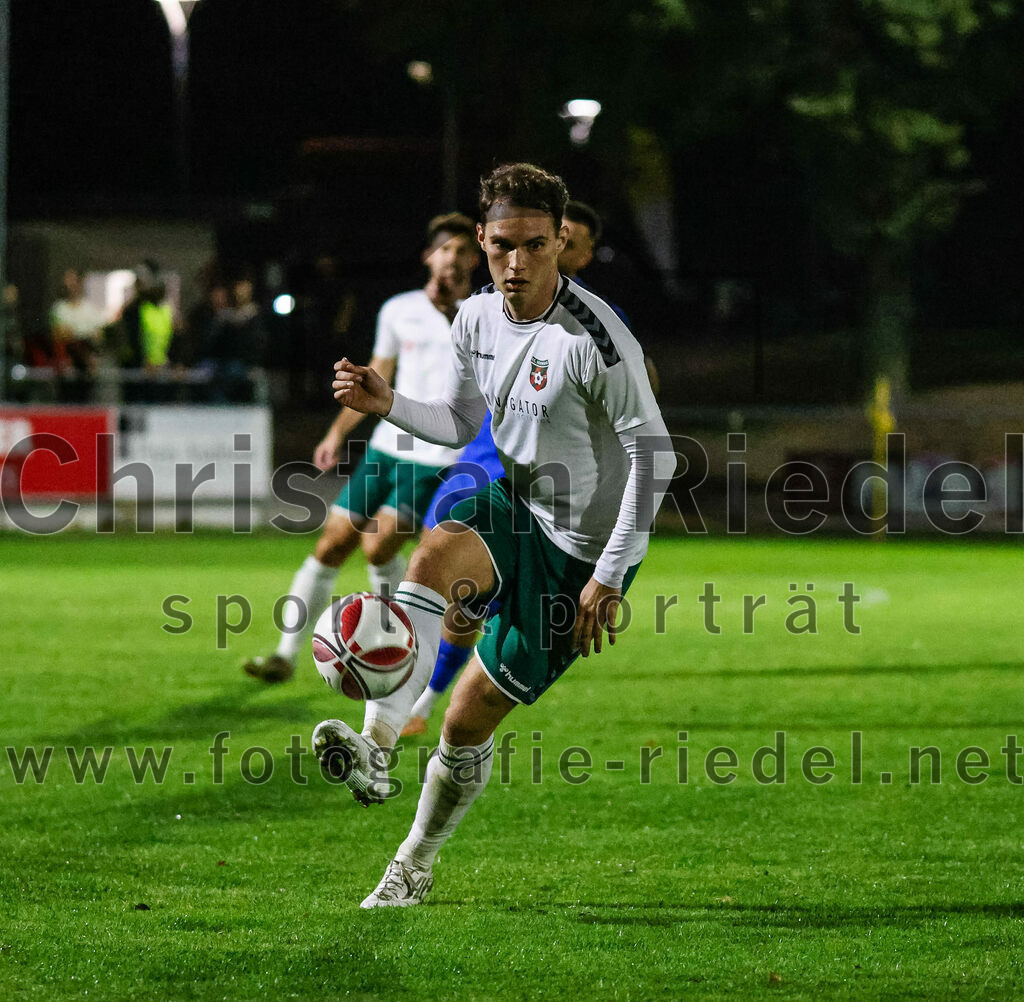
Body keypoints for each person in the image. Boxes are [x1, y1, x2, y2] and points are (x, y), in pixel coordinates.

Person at [317, 162, 675, 907]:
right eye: (504, 245)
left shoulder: (595, 339)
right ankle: (375, 747)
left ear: (560, 242)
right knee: (433, 553)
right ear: (481, 239)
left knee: (466, 715)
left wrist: (609, 574)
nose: (518, 263)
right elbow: (456, 422)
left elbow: (656, 457)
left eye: (537, 246)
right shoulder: (475, 318)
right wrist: (389, 404)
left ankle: (414, 862)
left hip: (584, 555)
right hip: (517, 505)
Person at [242, 212, 480, 683]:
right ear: (428, 257)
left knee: (377, 547)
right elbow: (378, 376)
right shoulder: (398, 309)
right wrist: (336, 433)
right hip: (386, 448)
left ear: (475, 258)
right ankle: (284, 655)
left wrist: (452, 311)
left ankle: (400, 642)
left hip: (436, 455)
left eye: (460, 250)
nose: (451, 258)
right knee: (332, 542)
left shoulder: (481, 313)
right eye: (444, 249)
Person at [559, 200, 660, 396]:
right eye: (550, 240)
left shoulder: (601, 315)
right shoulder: (504, 295)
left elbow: (644, 379)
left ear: (586, 256)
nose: (555, 250)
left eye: (567, 245)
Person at [49, 269, 109, 400]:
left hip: (86, 369)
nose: (68, 285)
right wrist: (82, 334)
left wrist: (75, 333)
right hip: (67, 368)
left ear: (79, 283)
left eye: (72, 281)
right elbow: (60, 334)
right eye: (66, 282)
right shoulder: (59, 308)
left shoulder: (91, 310)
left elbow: (98, 336)